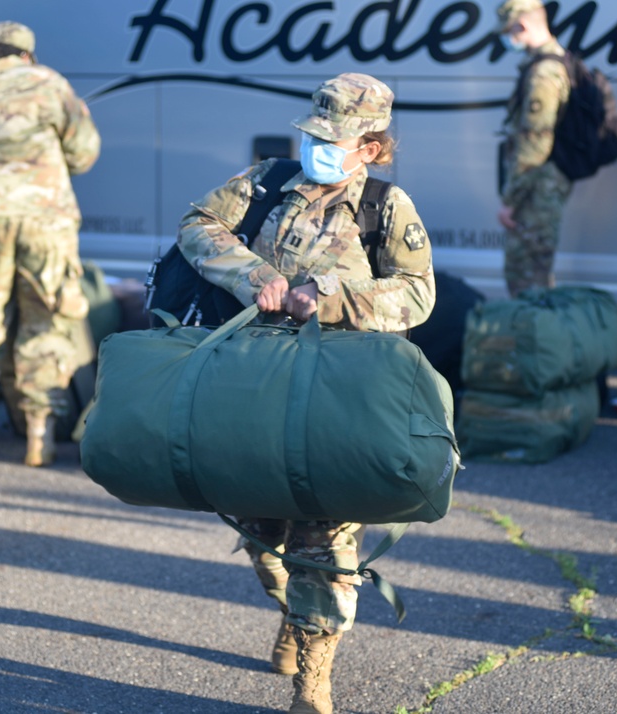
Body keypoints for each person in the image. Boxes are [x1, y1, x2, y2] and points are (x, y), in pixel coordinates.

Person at [177, 73, 435, 714]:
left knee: (323, 532)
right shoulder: (266, 181)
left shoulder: (386, 206)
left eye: (336, 141)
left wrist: (332, 296)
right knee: (259, 526)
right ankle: (293, 612)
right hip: (254, 385)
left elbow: (419, 292)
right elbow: (199, 224)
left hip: (336, 396)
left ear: (372, 147)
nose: (320, 149)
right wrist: (254, 276)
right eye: (315, 136)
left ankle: (313, 681)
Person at [0, 21, 101, 467]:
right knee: (44, 321)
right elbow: (84, 154)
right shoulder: (49, 84)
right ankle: (39, 439)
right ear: (27, 53)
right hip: (45, 220)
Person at [496, 0, 572, 297]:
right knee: (535, 273)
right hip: (543, 185)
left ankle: (532, 340)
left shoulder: (543, 73)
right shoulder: (553, 62)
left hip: (537, 188)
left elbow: (535, 141)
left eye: (507, 30)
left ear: (522, 26)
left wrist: (510, 199)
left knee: (525, 275)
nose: (506, 38)